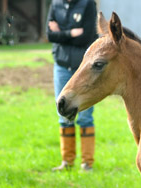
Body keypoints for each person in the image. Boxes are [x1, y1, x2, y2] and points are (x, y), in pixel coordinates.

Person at [47, 0, 97, 171]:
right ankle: (67, 162)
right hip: (61, 66)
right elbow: (49, 35)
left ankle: (87, 164)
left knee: (84, 116)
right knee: (63, 112)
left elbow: (87, 36)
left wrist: (61, 33)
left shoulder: (88, 4)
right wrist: (71, 33)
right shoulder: (55, 4)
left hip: (81, 69)